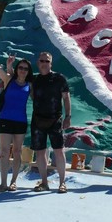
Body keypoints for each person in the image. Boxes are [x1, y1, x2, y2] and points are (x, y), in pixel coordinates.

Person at [0, 38, 31, 194]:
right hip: (5, 119)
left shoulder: (30, 85)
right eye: (20, 67)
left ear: (28, 71)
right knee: (3, 152)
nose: (22, 70)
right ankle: (3, 183)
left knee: (17, 152)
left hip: (21, 122)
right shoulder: (8, 80)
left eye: (25, 68)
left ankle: (13, 182)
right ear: (17, 69)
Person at [31, 51, 71, 193]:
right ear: (38, 63)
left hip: (55, 120)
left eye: (47, 61)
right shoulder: (34, 80)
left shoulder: (59, 78)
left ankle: (62, 183)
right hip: (37, 120)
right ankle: (44, 182)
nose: (44, 63)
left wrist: (68, 116)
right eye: (42, 61)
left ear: (51, 63)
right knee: (40, 152)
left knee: (59, 151)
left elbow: (66, 97)